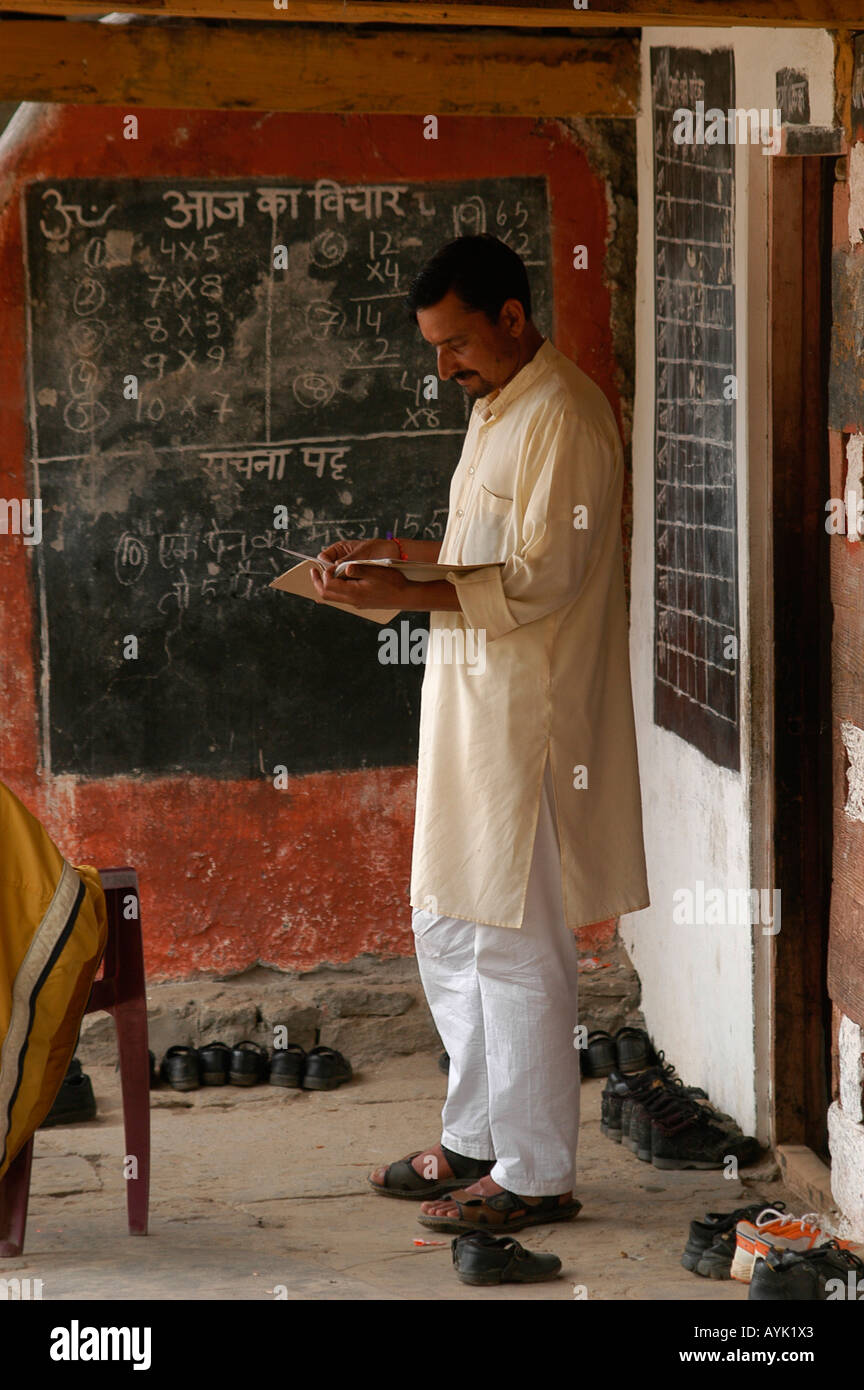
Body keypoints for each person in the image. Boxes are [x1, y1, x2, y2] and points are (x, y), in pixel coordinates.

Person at [311, 233, 649, 1234]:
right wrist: (394, 556)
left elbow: (540, 580)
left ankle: (538, 1172)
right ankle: (475, 1138)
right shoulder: (498, 407)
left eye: (456, 343)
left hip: (529, 724)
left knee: (512, 942)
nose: (443, 366)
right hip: (468, 711)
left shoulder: (569, 419)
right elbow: (475, 552)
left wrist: (407, 590)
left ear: (512, 317)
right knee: (447, 923)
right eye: (434, 346)